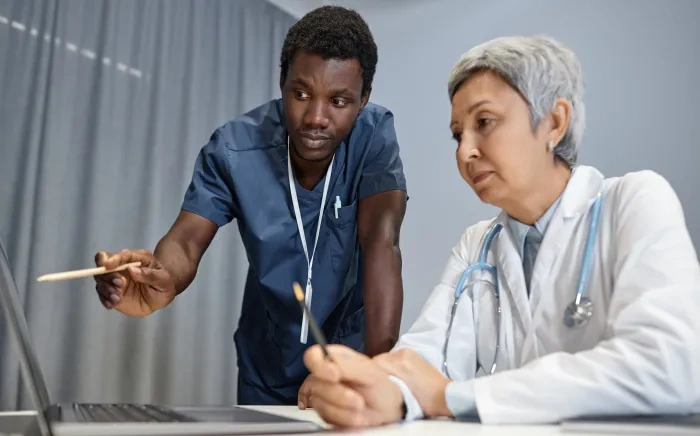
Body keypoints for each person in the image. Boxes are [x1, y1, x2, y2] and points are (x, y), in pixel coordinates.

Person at [299, 35, 700, 428]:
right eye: (458, 134)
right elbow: (421, 360)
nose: (464, 151)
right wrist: (371, 389)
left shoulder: (633, 201)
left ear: (554, 123)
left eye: (484, 122)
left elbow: (670, 364)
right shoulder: (478, 245)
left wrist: (451, 397)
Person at [92, 5, 408, 406]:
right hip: (267, 365)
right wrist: (161, 279)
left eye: (339, 101)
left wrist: (374, 373)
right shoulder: (235, 148)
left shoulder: (374, 138)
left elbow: (382, 244)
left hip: (355, 356)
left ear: (363, 100)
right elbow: (186, 242)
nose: (315, 117)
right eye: (300, 93)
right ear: (282, 84)